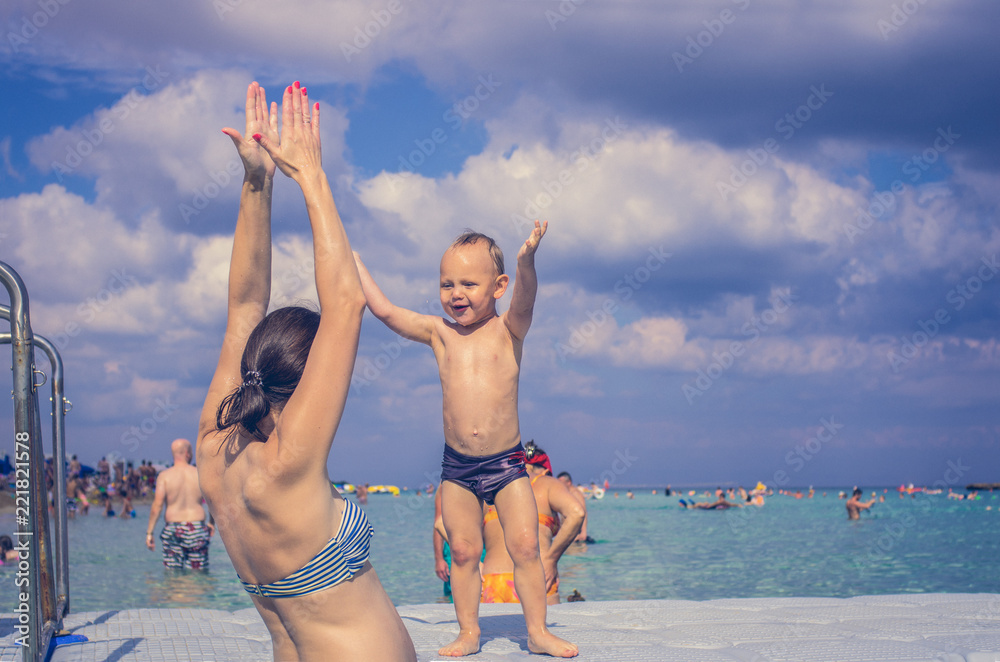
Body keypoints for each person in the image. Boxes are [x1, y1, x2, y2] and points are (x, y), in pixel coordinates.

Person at [195, 81, 416, 662]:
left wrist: (256, 183)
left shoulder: (213, 450)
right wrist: (310, 174)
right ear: (306, 376)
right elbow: (346, 301)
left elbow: (244, 305)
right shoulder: (288, 463)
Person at [355, 220, 578, 658]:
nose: (456, 293)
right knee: (461, 550)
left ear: (498, 286)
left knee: (526, 546)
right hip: (457, 467)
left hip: (507, 463)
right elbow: (385, 312)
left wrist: (526, 260)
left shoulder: (509, 329)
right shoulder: (440, 334)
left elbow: (527, 299)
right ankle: (469, 632)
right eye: (446, 284)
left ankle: (537, 631)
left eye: (468, 284)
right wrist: (354, 260)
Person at [481, 443, 584, 605]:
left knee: (495, 631)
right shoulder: (547, 484)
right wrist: (551, 559)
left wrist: (474, 564)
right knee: (540, 630)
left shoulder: (489, 485)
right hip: (537, 577)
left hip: (492, 580)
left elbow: (445, 524)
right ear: (544, 471)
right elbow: (577, 513)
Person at [146, 439, 213, 568]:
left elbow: (157, 506)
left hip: (173, 529)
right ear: (188, 453)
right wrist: (211, 522)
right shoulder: (200, 474)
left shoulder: (164, 476)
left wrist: (150, 533)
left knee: (172, 575)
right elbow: (212, 502)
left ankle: (176, 589)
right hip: (197, 529)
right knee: (198, 576)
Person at [556, 471, 590, 543]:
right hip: (567, 533)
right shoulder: (565, 494)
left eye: (561, 482)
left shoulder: (576, 494)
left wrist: (583, 533)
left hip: (576, 533)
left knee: (573, 552)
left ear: (569, 482)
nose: (559, 484)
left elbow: (583, 512)